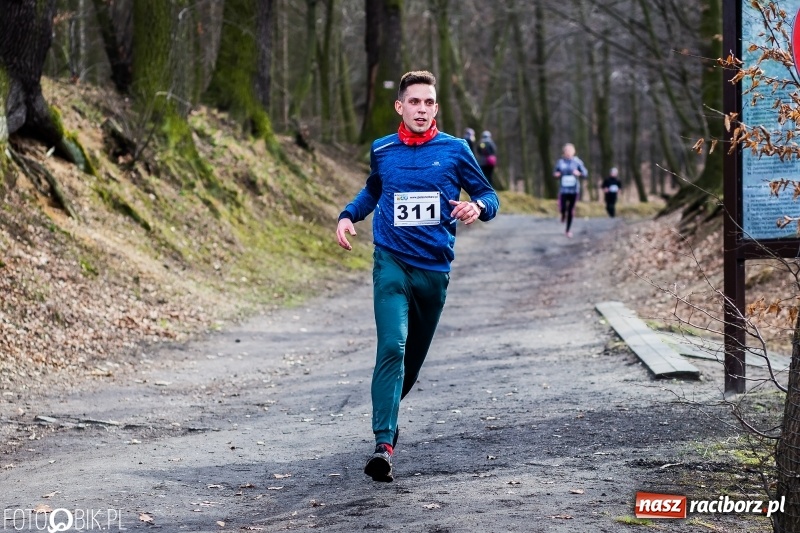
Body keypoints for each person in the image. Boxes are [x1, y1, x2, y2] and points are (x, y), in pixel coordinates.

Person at [335, 70, 499, 483]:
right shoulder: (383, 149)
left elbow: (489, 195)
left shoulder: (456, 150)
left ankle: (387, 414)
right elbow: (373, 188)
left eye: (428, 103)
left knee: (410, 364)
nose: (421, 109)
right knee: (392, 344)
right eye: (414, 102)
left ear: (436, 108)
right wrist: (348, 215)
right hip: (390, 261)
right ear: (400, 106)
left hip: (434, 270)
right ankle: (383, 445)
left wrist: (477, 208)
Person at [553, 143, 588, 238]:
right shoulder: (560, 162)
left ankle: (568, 230)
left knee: (571, 209)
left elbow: (585, 173)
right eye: (566, 150)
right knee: (563, 208)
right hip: (563, 190)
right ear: (564, 152)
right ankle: (563, 214)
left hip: (574, 190)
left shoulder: (577, 162)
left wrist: (579, 173)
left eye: (570, 150)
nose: (568, 152)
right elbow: (555, 173)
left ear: (574, 152)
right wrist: (557, 175)